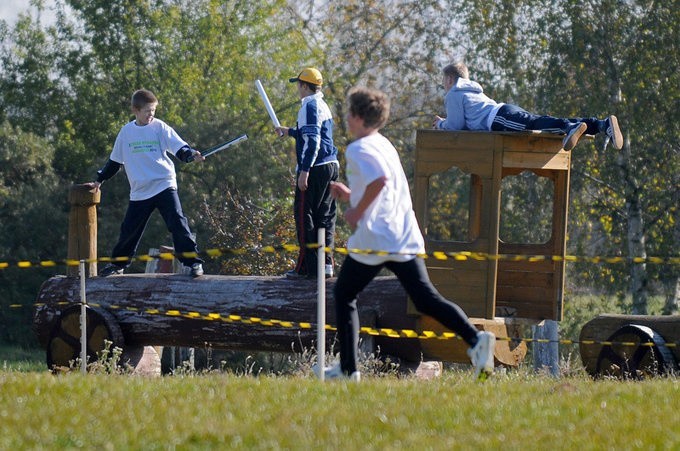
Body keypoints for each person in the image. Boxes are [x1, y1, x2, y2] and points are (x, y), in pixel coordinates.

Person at [326, 86, 495, 381]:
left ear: (357, 116)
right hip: (402, 233)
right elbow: (383, 185)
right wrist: (351, 195)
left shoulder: (358, 148)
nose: (347, 118)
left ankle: (348, 369)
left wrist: (354, 211)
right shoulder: (384, 144)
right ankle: (476, 340)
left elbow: (379, 182)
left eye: (350, 113)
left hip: (376, 237)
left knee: (344, 293)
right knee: (426, 297)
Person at [88, 89, 205, 278]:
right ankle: (118, 265)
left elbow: (180, 148)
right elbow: (115, 162)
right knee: (129, 230)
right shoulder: (126, 133)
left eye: (154, 110)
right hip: (140, 191)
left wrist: (191, 154)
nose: (151, 115)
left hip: (163, 184)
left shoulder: (160, 127)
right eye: (147, 111)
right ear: (135, 110)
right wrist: (99, 179)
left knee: (177, 222)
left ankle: (193, 263)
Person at [432, 62, 623, 151]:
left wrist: (441, 124)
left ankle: (571, 127)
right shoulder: (470, 91)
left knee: (537, 124)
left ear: (450, 79)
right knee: (539, 122)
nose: (443, 85)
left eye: (443, 81)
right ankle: (600, 125)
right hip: (504, 111)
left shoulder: (454, 94)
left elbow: (457, 125)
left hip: (498, 119)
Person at [275, 67, 339, 280]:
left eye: (298, 85)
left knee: (304, 216)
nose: (297, 89)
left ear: (304, 86)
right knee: (325, 217)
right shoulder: (322, 104)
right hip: (331, 165)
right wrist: (290, 132)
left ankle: (307, 267)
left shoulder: (309, 106)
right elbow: (311, 133)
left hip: (315, 167)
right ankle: (326, 265)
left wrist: (304, 171)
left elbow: (312, 141)